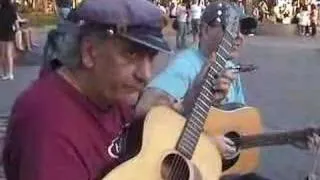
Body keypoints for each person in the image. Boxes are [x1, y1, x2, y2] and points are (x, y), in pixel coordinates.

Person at [2, 0, 236, 179]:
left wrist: (191, 103)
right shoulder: (47, 127)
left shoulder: (109, 96)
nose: (145, 74)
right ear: (90, 52)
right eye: (131, 54)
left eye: (151, 57)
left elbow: (144, 139)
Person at [135, 1, 320, 179]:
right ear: (205, 30)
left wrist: (290, 138)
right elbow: (145, 108)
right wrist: (206, 142)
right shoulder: (187, 64)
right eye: (230, 30)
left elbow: (239, 126)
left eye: (244, 30)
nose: (239, 37)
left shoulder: (229, 66)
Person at [0, 0, 17, 81]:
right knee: (9, 54)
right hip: (9, 31)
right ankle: (10, 73)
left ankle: (4, 73)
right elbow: (15, 19)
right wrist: (17, 29)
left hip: (2, 31)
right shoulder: (12, 7)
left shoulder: (1, 8)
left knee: (2, 54)